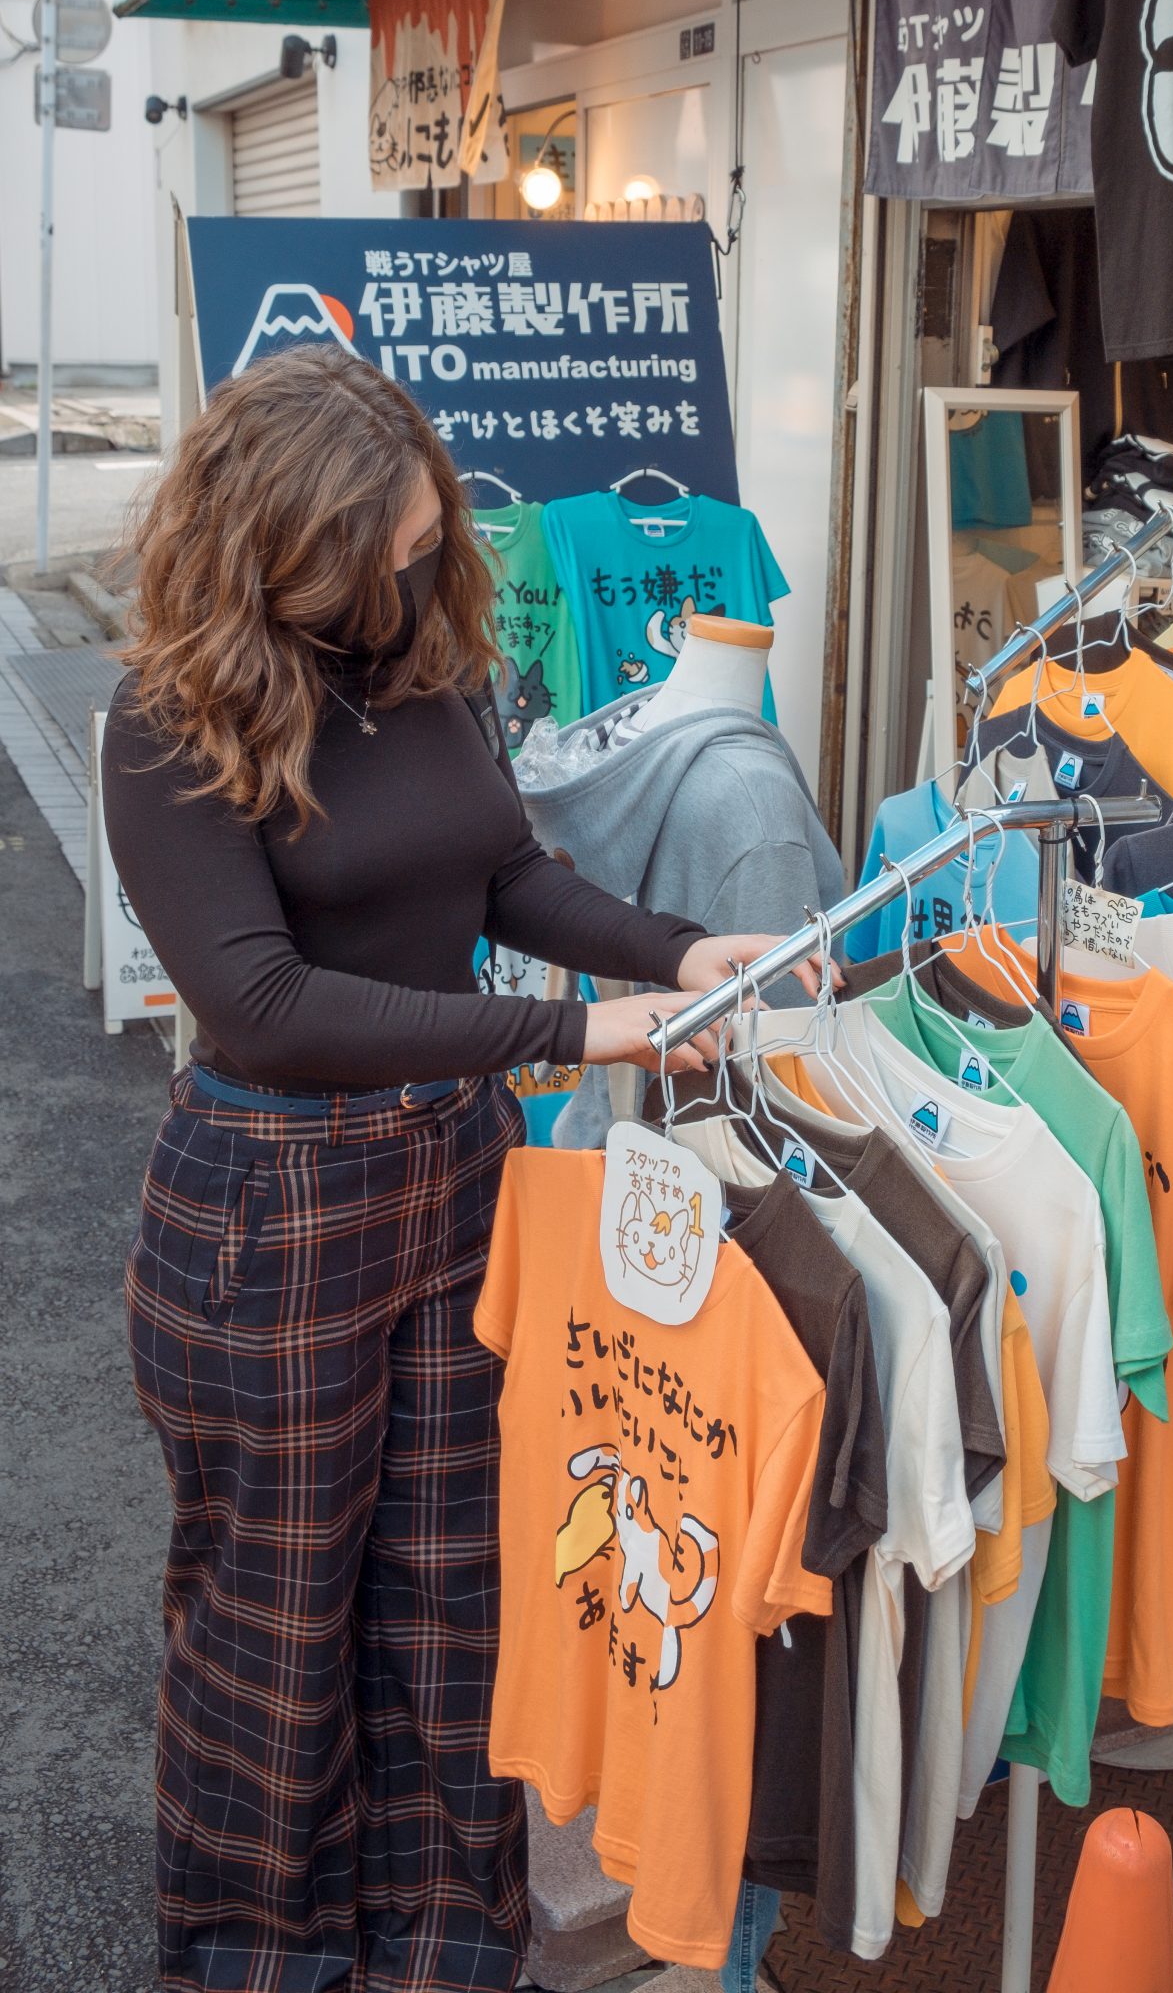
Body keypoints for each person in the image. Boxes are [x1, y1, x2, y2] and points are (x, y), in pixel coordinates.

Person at [104, 346, 817, 1993]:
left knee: (448, 1609)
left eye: (424, 549)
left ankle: (442, 1956)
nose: (408, 585)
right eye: (376, 560)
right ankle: (255, 1961)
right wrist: (582, 1040)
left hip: (454, 1183)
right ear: (268, 548)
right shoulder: (168, 718)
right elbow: (261, 1008)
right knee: (274, 1635)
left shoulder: (425, 661)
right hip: (272, 1214)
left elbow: (510, 878)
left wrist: (690, 954)